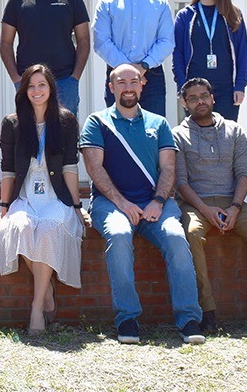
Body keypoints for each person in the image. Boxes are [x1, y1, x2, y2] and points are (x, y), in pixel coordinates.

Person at [79, 63, 204, 345]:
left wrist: (158, 202)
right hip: (110, 204)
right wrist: (123, 203)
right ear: (111, 88)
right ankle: (127, 317)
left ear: (142, 84)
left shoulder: (158, 123)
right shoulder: (97, 122)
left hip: (155, 204)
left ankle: (188, 318)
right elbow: (94, 169)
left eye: (133, 81)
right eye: (121, 82)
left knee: (174, 237)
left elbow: (168, 169)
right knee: (120, 235)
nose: (128, 87)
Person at [174, 77, 247, 335]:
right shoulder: (178, 135)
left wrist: (236, 208)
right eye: (193, 98)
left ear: (213, 98)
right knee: (192, 235)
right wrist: (206, 211)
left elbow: (243, 174)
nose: (200, 101)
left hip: (234, 203)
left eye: (204, 96)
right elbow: (181, 183)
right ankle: (206, 311)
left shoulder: (234, 130)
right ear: (184, 103)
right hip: (196, 205)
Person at [0, 64, 85, 334]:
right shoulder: (12, 123)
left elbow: (70, 167)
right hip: (25, 196)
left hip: (55, 196)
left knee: (48, 228)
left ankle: (37, 306)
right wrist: (3, 207)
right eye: (31, 86)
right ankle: (47, 293)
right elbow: (8, 169)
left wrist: (77, 205)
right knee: (20, 227)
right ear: (24, 91)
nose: (36, 91)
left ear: (50, 89)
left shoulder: (66, 120)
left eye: (42, 85)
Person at [0, 0, 90, 116]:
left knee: (64, 136)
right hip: (28, 84)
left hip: (65, 81)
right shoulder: (16, 3)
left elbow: (84, 40)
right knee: (29, 134)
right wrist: (17, 80)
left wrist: (75, 78)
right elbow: (5, 43)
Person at [93, 0, 174, 116]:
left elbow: (167, 41)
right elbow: (101, 42)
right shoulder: (107, 2)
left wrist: (143, 66)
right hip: (117, 75)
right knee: (117, 129)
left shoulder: (160, 2)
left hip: (152, 76)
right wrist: (129, 70)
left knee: (154, 129)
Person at [172, 0, 247, 121]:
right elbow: (177, 56)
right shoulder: (185, 16)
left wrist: (240, 86)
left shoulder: (233, 14)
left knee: (225, 139)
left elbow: (243, 54)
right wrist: (182, 88)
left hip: (227, 90)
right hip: (195, 92)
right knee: (198, 139)